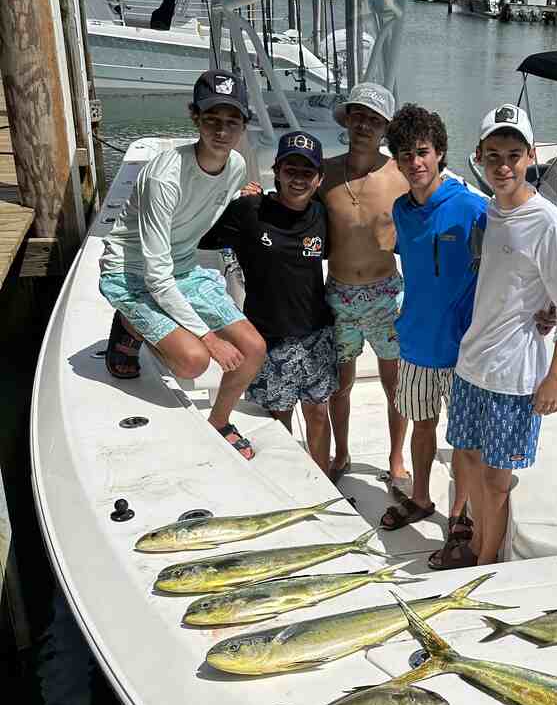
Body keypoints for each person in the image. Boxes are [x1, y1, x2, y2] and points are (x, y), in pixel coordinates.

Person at [99, 69, 266, 459]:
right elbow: (155, 275)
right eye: (211, 120)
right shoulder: (164, 176)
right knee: (194, 361)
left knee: (254, 348)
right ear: (195, 118)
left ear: (243, 125)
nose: (222, 131)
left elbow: (205, 211)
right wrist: (208, 337)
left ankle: (220, 421)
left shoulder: (237, 167)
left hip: (184, 267)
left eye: (232, 122)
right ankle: (129, 322)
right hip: (133, 272)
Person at [447, 104, 557, 566]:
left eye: (512, 154)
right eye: (492, 155)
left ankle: (486, 562)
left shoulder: (548, 222)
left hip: (514, 375)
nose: (502, 166)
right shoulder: (490, 211)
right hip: (471, 364)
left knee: (495, 480)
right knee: (465, 457)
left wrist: (556, 376)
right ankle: (473, 539)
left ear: (530, 156)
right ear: (479, 158)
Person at [380, 104, 486, 561]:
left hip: (464, 349)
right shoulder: (401, 210)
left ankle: (461, 515)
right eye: (405, 154)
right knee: (423, 427)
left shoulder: (473, 208)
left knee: (464, 440)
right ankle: (422, 498)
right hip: (417, 341)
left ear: (440, 153)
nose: (415, 162)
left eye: (422, 152)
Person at [198, 131, 337, 472]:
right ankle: (288, 478)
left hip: (315, 334)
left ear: (319, 179)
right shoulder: (249, 209)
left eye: (307, 172)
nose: (298, 179)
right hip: (267, 337)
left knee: (318, 413)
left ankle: (321, 479)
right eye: (291, 170)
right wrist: (228, 196)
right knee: (279, 416)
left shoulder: (322, 215)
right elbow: (200, 235)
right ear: (276, 171)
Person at [321, 83, 410, 487]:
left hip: (384, 295)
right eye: (358, 115)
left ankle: (395, 458)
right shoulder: (325, 173)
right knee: (341, 385)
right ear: (347, 119)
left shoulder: (401, 175)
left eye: (374, 119)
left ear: (385, 128)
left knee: (394, 384)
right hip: (337, 295)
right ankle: (341, 452)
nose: (364, 124)